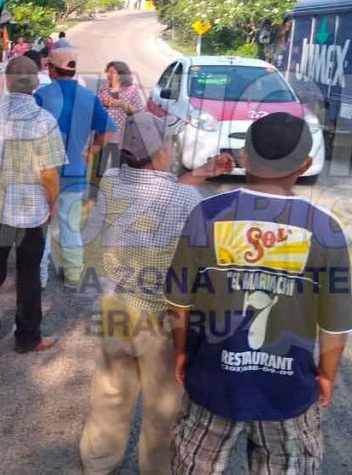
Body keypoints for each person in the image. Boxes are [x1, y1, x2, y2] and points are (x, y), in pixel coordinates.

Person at [167, 112, 352, 474]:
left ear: (244, 157)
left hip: (212, 379)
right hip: (288, 390)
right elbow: (335, 323)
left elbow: (179, 301)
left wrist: (180, 352)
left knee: (194, 464)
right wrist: (327, 375)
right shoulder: (325, 228)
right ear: (304, 165)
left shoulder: (207, 214)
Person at [79, 113, 233, 474]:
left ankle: (98, 462)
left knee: (110, 393)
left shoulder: (112, 181)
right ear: (163, 151)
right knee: (164, 406)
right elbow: (199, 256)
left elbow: (158, 189)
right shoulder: (186, 200)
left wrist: (203, 172)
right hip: (160, 317)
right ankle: (157, 469)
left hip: (113, 306)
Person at [0, 57, 66, 354]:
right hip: (31, 215)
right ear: (35, 83)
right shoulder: (45, 121)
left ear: (7, 81)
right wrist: (54, 203)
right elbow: (48, 174)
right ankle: (27, 338)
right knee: (28, 273)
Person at [34, 47, 114, 289]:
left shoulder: (41, 95)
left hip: (44, 173)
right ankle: (72, 274)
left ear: (51, 70)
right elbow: (106, 131)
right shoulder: (89, 97)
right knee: (70, 226)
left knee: (42, 225)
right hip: (75, 172)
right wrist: (92, 150)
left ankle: (39, 277)